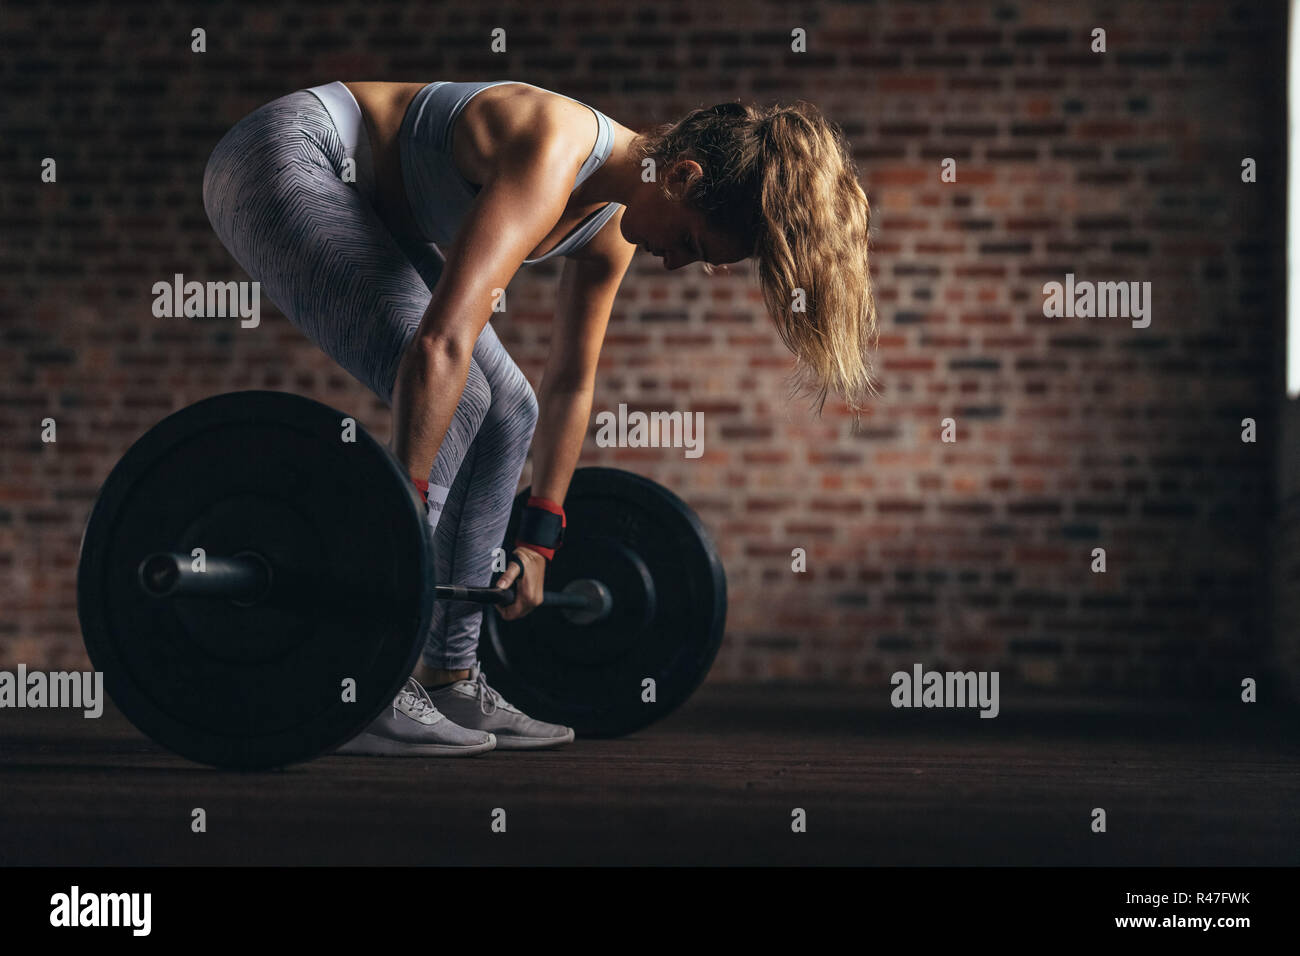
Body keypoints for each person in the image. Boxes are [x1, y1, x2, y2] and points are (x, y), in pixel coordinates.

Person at [201, 79, 878, 756]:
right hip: (281, 156)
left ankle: (449, 677)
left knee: (509, 410)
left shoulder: (612, 228)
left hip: (365, 202)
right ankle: (362, 675)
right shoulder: (554, 148)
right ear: (681, 174)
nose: (674, 264)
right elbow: (441, 343)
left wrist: (537, 544)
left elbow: (568, 383)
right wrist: (399, 527)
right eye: (692, 245)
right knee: (464, 393)